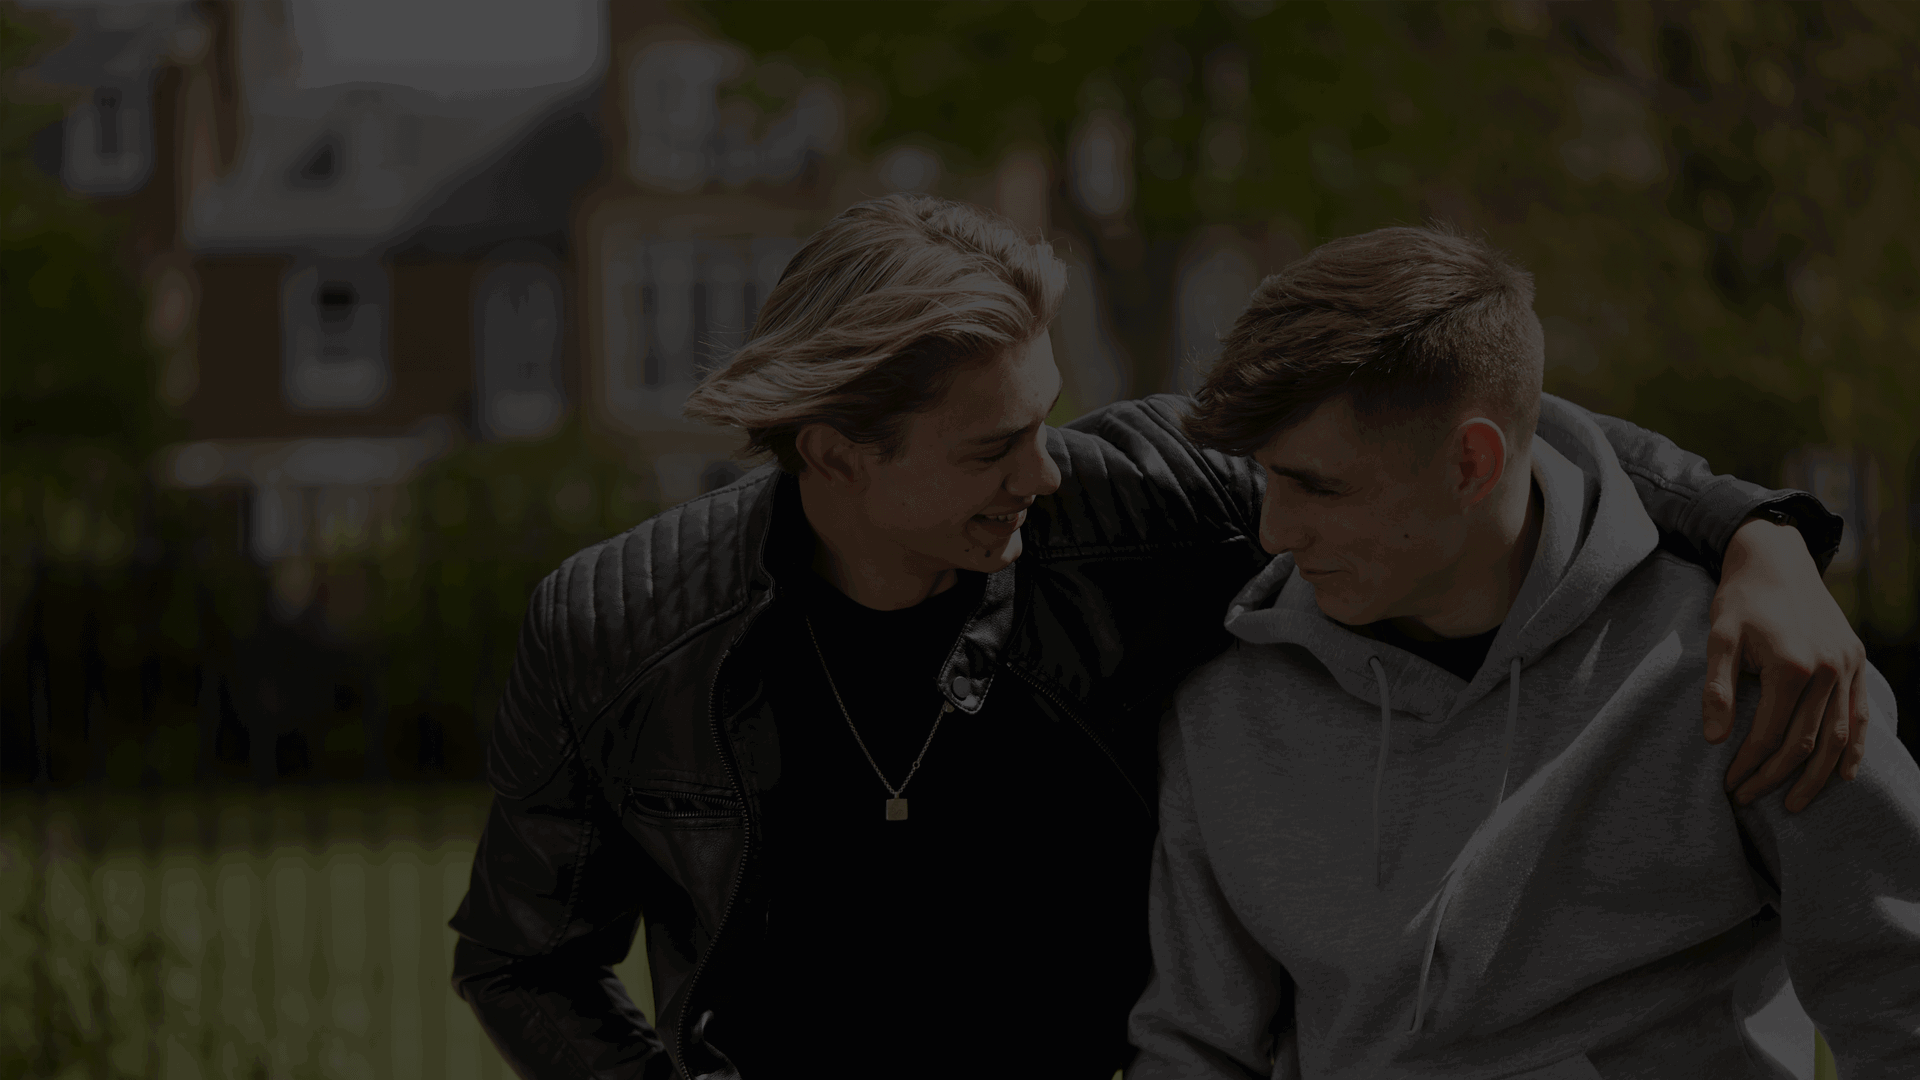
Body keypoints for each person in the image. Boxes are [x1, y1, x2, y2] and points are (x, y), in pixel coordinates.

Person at [448, 196, 1867, 1080]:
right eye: (996, 445)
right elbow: (522, 958)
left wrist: (1761, 537)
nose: (1044, 475)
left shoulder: (1126, 515)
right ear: (835, 458)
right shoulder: (621, 630)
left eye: (1048, 420)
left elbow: (1455, 417)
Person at [1127, 225, 1918, 1079]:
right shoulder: (1227, 713)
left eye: (1319, 485)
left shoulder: (1745, 669)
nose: (1274, 531)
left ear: (1471, 462)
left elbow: (1903, 997)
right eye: (1267, 477)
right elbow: (1196, 1050)